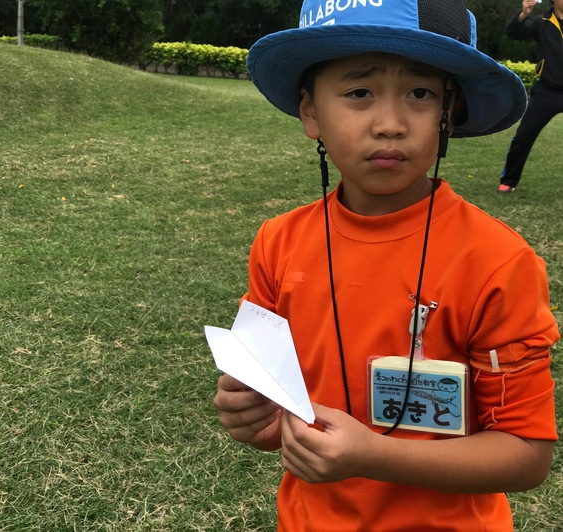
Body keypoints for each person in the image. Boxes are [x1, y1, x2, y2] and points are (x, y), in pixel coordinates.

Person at [212, 0, 560, 530]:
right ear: (311, 112)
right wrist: (256, 415)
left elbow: (526, 453)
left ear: (449, 113)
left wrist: (373, 455)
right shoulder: (277, 243)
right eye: (359, 93)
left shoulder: (498, 263)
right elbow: (276, 397)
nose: (391, 124)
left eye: (420, 94)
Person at [499, 0, 563, 193]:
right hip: (547, 91)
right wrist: (524, 14)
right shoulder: (541, 22)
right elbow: (513, 33)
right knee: (523, 135)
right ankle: (508, 181)